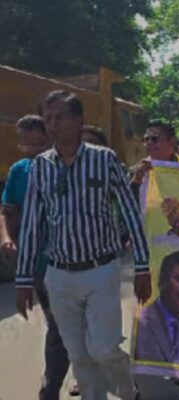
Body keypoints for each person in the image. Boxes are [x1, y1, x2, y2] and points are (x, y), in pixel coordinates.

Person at [16, 90, 152, 400]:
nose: (53, 124)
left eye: (59, 117)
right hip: (59, 275)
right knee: (78, 356)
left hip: (100, 270)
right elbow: (32, 224)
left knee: (103, 349)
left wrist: (142, 267)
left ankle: (127, 390)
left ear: (78, 120)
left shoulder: (104, 160)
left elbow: (130, 213)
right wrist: (23, 279)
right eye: (48, 118)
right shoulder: (40, 166)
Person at [1, 115, 72, 400]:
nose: (31, 151)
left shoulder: (67, 166)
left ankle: (77, 375)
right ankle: (51, 388)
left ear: (49, 138)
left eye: (38, 144)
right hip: (40, 266)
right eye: (25, 145)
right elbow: (8, 210)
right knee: (58, 325)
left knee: (71, 325)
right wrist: (7, 238)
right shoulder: (19, 171)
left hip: (72, 260)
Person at [130, 120, 179, 201]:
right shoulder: (137, 171)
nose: (149, 143)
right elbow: (125, 203)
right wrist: (136, 182)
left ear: (172, 142)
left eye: (154, 139)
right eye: (146, 139)